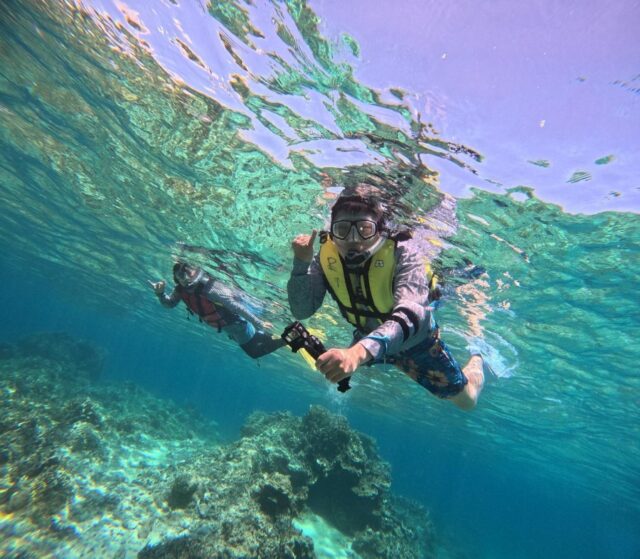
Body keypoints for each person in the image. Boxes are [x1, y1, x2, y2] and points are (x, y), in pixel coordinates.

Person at [287, 184, 485, 410]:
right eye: (342, 230)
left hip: (415, 343)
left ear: (380, 230)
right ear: (332, 232)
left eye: (364, 229)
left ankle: (477, 357)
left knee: (466, 401)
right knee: (339, 375)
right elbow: (302, 310)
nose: (353, 241)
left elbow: (410, 315)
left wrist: (357, 354)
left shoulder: (405, 253)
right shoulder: (325, 255)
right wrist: (301, 264)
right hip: (367, 337)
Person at [150, 262, 286, 359]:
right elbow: (170, 304)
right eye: (179, 275)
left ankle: (284, 337)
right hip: (230, 327)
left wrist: (259, 322)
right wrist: (160, 294)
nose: (184, 277)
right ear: (176, 279)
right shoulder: (180, 290)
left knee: (255, 352)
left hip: (237, 325)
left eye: (186, 271)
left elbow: (236, 307)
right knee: (257, 346)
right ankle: (276, 335)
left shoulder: (209, 289)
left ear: (194, 271)